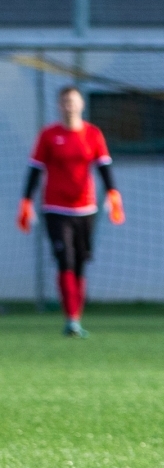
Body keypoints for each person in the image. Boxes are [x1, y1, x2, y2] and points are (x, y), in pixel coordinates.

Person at [17, 85, 124, 337]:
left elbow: (104, 167)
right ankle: (71, 319)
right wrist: (26, 201)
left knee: (79, 263)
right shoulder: (48, 135)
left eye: (73, 101)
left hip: (85, 208)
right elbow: (35, 170)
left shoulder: (93, 134)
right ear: (59, 105)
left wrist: (113, 194)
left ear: (81, 105)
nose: (69, 106)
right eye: (65, 102)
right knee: (64, 260)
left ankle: (77, 317)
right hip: (55, 208)